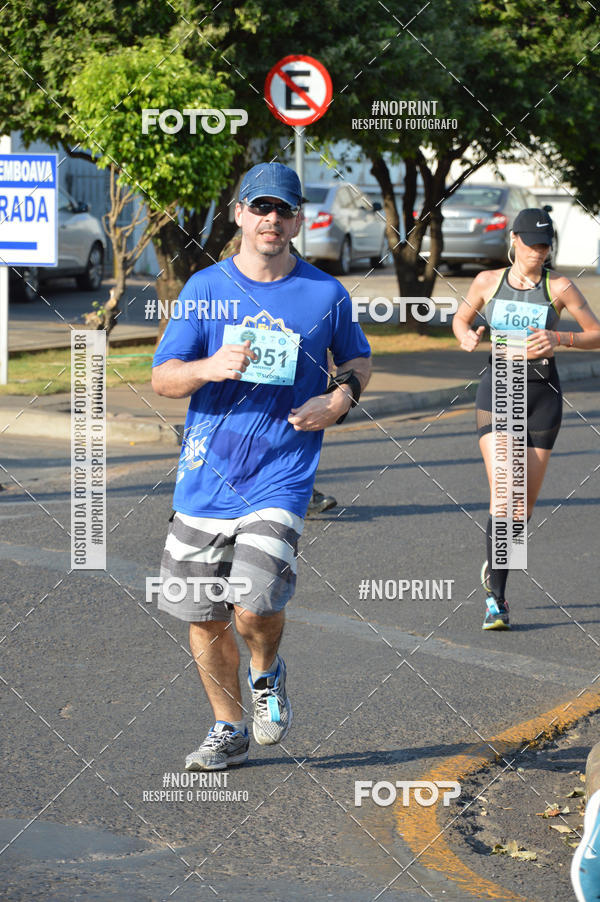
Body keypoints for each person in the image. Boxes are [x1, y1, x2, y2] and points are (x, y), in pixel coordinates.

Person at [152, 161, 371, 770]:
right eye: (260, 207)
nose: (271, 218)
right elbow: (164, 377)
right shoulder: (203, 288)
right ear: (239, 213)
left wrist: (340, 398)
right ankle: (228, 727)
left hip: (281, 472)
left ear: (298, 219)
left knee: (251, 601)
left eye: (283, 209)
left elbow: (357, 360)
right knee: (202, 614)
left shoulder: (325, 294)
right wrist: (208, 367)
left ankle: (267, 671)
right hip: (204, 476)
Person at [453, 208, 600, 630]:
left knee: (522, 508)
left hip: (543, 396)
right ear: (514, 240)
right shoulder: (488, 282)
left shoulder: (560, 286)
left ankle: (495, 566)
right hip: (500, 389)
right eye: (533, 243)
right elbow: (461, 319)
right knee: (506, 493)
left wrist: (561, 337)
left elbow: (596, 332)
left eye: (545, 244)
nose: (539, 251)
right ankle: (495, 600)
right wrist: (466, 335)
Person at [219, 231, 338, 518]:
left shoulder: (289, 253)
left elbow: (308, 310)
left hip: (286, 367)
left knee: (286, 432)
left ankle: (301, 492)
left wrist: (328, 359)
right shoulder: (231, 257)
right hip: (242, 368)